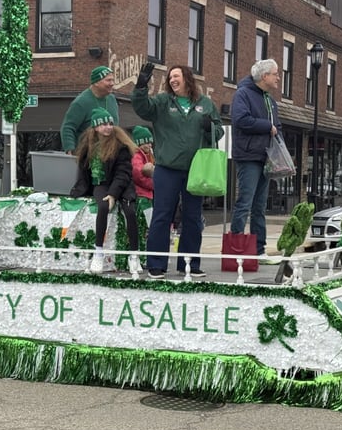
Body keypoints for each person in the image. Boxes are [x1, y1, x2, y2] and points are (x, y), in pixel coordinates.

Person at [132, 63, 224, 279]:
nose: (173, 80)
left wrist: (210, 127)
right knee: (162, 215)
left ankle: (189, 264)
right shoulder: (163, 102)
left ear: (187, 78)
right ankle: (156, 264)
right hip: (167, 169)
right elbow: (143, 108)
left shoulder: (205, 104)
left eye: (176, 76)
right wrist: (140, 87)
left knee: (193, 217)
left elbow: (218, 130)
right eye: (170, 77)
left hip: (196, 170)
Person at [70, 108, 141, 274]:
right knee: (103, 207)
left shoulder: (121, 147)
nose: (108, 127)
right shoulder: (89, 147)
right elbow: (84, 172)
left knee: (130, 211)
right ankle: (98, 252)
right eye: (103, 124)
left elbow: (123, 173)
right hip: (101, 184)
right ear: (95, 127)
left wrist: (113, 194)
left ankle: (134, 255)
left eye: (110, 124)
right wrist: (78, 191)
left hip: (121, 185)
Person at [229, 58, 283, 260]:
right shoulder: (242, 94)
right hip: (249, 157)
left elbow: (278, 127)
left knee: (260, 207)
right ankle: (235, 249)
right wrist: (267, 127)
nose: (278, 77)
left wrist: (282, 152)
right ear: (264, 76)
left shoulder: (270, 100)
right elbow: (241, 120)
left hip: (266, 158)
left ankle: (259, 250)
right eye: (276, 73)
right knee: (245, 203)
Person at [60, 66, 120, 154]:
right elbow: (67, 127)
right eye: (108, 80)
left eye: (112, 80)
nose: (112, 83)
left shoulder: (112, 99)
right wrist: (70, 150)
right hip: (87, 156)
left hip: (109, 153)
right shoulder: (81, 102)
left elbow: (116, 128)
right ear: (96, 82)